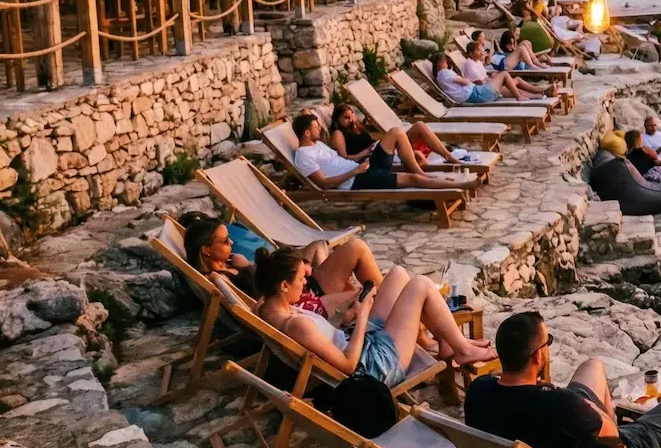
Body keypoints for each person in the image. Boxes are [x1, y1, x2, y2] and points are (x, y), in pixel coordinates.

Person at [466, 312, 661, 448]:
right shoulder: (564, 406)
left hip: (552, 442)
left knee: (593, 366)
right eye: (547, 342)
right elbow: (615, 440)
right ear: (538, 357)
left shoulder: (478, 390)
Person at [251, 246, 495, 387]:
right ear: (283, 286)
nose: (306, 282)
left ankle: (446, 342)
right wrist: (363, 315)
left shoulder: (267, 307)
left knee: (398, 274)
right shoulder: (297, 325)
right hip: (376, 367)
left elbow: (261, 304)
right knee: (420, 285)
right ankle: (462, 349)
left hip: (363, 342)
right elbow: (347, 366)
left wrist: (353, 316)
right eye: (300, 278)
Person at [181, 212, 380, 319]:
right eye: (225, 241)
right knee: (360, 258)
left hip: (300, 288)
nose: (231, 243)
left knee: (352, 251)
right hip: (303, 302)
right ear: (206, 250)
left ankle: (385, 302)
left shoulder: (227, 266)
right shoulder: (219, 280)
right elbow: (257, 309)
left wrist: (243, 264)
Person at [290, 113, 461, 192]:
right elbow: (324, 184)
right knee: (412, 179)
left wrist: (358, 165)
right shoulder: (304, 155)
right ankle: (460, 185)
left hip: (362, 167)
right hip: (356, 179)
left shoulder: (317, 144)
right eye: (315, 127)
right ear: (306, 133)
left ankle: (421, 171)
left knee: (396, 132)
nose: (319, 128)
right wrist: (354, 171)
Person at [326, 104, 466, 174]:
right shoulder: (338, 134)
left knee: (419, 126)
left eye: (352, 116)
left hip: (379, 149)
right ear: (337, 120)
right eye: (346, 118)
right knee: (415, 153)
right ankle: (421, 177)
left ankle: (447, 156)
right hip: (371, 158)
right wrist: (365, 153)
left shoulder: (356, 127)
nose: (351, 120)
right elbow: (344, 158)